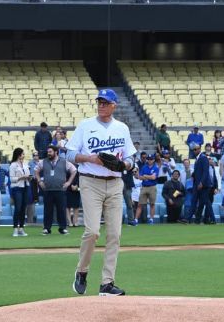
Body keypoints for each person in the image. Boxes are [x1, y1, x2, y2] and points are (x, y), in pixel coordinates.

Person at [66, 88, 136, 297]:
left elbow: (132, 158)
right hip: (90, 181)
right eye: (99, 101)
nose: (101, 105)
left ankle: (107, 283)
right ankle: (82, 271)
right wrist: (90, 159)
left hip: (115, 183)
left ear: (114, 105)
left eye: (106, 102)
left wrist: (124, 164)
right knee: (93, 232)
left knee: (115, 234)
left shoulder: (122, 128)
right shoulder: (86, 125)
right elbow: (69, 154)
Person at [35, 145, 77, 235]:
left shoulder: (64, 161)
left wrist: (69, 182)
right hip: (48, 190)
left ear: (56, 152)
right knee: (47, 210)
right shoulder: (43, 162)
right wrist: (40, 181)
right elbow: (36, 171)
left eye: (50, 152)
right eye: (48, 152)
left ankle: (62, 228)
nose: (48, 153)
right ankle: (46, 228)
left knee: (61, 210)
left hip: (60, 190)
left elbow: (74, 170)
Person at [182, 143, 210, 224]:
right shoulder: (198, 158)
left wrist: (201, 182)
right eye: (193, 150)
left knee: (202, 203)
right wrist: (193, 174)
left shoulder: (203, 158)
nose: (194, 151)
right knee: (194, 201)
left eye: (195, 149)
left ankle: (198, 219)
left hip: (202, 185)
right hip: (196, 184)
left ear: (199, 149)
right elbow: (199, 171)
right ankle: (188, 219)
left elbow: (205, 172)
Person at [10, 148, 32, 237]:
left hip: (25, 187)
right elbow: (12, 179)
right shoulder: (13, 165)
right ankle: (15, 228)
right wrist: (21, 177)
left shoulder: (26, 164)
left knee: (23, 209)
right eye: (22, 154)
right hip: (17, 188)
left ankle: (21, 228)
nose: (24, 155)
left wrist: (29, 177)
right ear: (18, 155)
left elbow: (28, 175)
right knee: (18, 208)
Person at [134, 154, 159, 225]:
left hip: (152, 186)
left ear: (153, 160)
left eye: (151, 159)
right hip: (144, 186)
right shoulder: (144, 167)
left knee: (152, 204)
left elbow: (153, 177)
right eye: (148, 159)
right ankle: (136, 220)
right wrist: (147, 177)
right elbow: (140, 177)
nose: (149, 160)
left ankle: (151, 219)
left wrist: (145, 176)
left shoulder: (156, 167)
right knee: (140, 204)